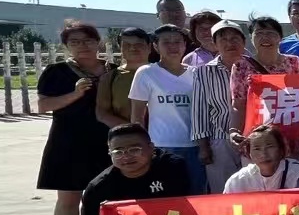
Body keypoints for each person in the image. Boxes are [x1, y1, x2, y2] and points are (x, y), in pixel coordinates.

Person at [37, 21, 111, 215]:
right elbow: (44, 105)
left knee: (108, 196)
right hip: (68, 140)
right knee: (69, 198)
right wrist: (76, 94)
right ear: (66, 46)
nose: (82, 46)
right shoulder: (56, 72)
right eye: (75, 42)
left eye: (88, 40)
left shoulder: (113, 70)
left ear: (98, 42)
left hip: (109, 141)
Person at [129, 24, 208, 195]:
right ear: (156, 46)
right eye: (166, 42)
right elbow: (137, 117)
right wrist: (143, 147)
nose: (173, 46)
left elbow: (203, 112)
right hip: (161, 146)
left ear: (184, 45)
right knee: (165, 197)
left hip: (195, 147)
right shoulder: (146, 73)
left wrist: (204, 146)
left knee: (196, 195)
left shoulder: (197, 73)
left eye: (177, 42)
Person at [190, 19, 251, 193]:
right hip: (220, 140)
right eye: (223, 39)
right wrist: (203, 147)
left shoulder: (255, 67)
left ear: (244, 42)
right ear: (215, 44)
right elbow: (199, 110)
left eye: (235, 38)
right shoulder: (203, 72)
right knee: (223, 191)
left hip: (253, 139)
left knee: (253, 188)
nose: (230, 43)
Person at [230, 17, 299, 151]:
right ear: (251, 37)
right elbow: (239, 105)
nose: (265, 38)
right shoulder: (241, 66)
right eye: (259, 33)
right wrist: (235, 131)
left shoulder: (293, 62)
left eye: (270, 33)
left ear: (280, 38)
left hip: (290, 133)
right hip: (257, 135)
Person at [224, 124, 299, 192]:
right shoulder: (238, 181)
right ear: (249, 152)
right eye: (257, 148)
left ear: (281, 149)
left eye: (270, 147)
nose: (263, 154)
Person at [95, 27, 153, 130]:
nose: (132, 48)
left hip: (165, 136)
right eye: (126, 45)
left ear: (149, 47)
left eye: (138, 45)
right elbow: (102, 113)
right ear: (120, 48)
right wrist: (134, 131)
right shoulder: (110, 78)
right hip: (127, 136)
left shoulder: (163, 73)